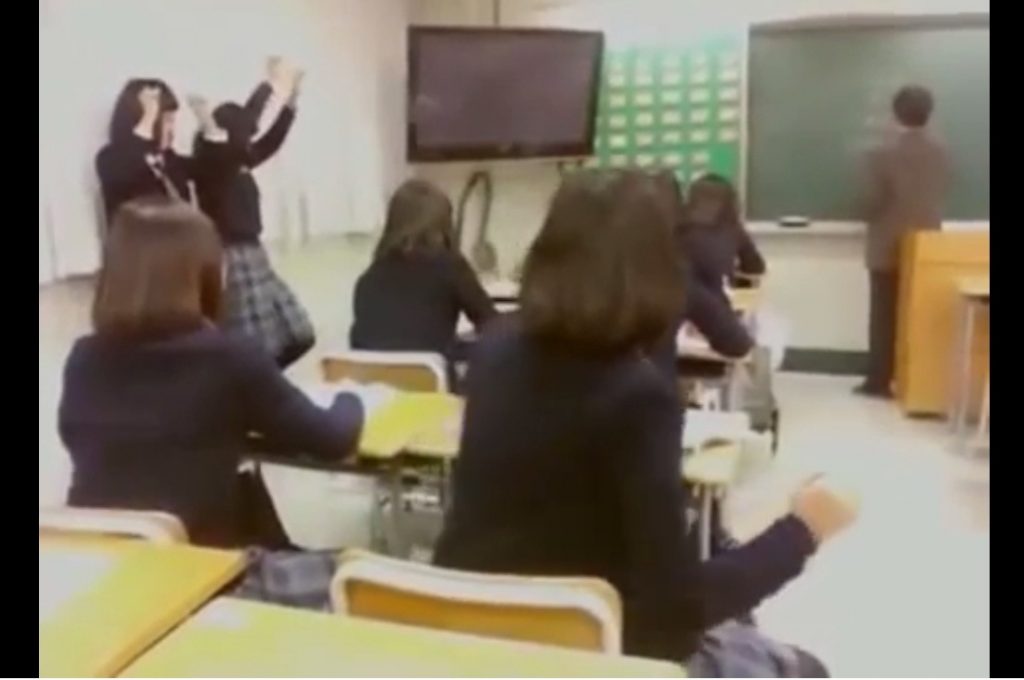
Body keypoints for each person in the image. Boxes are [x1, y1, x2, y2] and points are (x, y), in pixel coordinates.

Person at [434, 170, 858, 675]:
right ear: (659, 267)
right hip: (590, 649)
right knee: (804, 668)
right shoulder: (636, 397)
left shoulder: (493, 352)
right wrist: (801, 530)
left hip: (470, 633)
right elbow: (672, 613)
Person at [58, 197, 366, 548]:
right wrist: (352, 396)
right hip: (207, 573)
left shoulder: (83, 359)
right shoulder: (230, 357)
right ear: (205, 274)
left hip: (104, 568)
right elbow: (332, 440)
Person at [192, 58, 315, 369]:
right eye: (245, 133)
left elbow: (273, 138)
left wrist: (291, 96)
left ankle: (261, 388)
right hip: (231, 257)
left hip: (254, 254)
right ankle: (253, 396)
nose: (251, 138)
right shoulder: (214, 164)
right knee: (253, 347)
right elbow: (228, 134)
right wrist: (269, 85)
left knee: (297, 332)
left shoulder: (239, 162)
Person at [857, 85, 950, 398]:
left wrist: (860, 212)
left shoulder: (880, 153)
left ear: (896, 113)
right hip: (928, 244)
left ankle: (879, 381)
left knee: (883, 314)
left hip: (887, 243)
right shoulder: (942, 151)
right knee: (918, 313)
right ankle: (916, 380)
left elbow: (872, 200)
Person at [350, 179, 497, 374]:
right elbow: (494, 328)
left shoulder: (367, 280)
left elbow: (370, 344)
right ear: (443, 225)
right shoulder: (449, 265)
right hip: (433, 394)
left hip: (378, 396)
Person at [95, 79, 197, 219]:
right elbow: (129, 168)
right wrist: (148, 117)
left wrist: (210, 126)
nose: (172, 129)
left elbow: (207, 168)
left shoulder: (169, 159)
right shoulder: (111, 158)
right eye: (167, 120)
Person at [681, 172, 765, 293]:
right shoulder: (733, 229)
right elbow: (756, 267)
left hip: (680, 303)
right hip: (720, 300)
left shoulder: (677, 227)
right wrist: (729, 269)